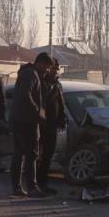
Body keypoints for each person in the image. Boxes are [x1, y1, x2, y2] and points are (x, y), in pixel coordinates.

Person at [9, 53, 52, 198]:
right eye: (47, 67)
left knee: (20, 154)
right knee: (30, 154)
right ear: (40, 63)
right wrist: (38, 112)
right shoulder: (31, 74)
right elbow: (25, 95)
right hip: (27, 121)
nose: (47, 70)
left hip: (21, 120)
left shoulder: (29, 73)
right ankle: (31, 187)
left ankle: (18, 187)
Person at [36, 61, 66, 194]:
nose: (55, 71)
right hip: (41, 125)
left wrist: (62, 119)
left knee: (48, 156)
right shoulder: (41, 83)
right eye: (53, 68)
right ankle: (35, 183)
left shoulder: (58, 85)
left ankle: (43, 182)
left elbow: (61, 103)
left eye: (57, 69)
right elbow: (39, 105)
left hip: (53, 126)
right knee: (38, 156)